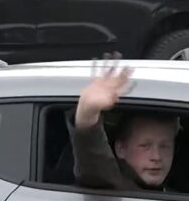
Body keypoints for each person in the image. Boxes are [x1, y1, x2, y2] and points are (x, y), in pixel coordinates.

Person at [71, 61, 179, 191]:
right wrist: (87, 111)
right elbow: (94, 161)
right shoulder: (115, 189)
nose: (156, 157)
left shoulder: (175, 195)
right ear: (121, 149)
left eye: (164, 146)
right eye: (145, 146)